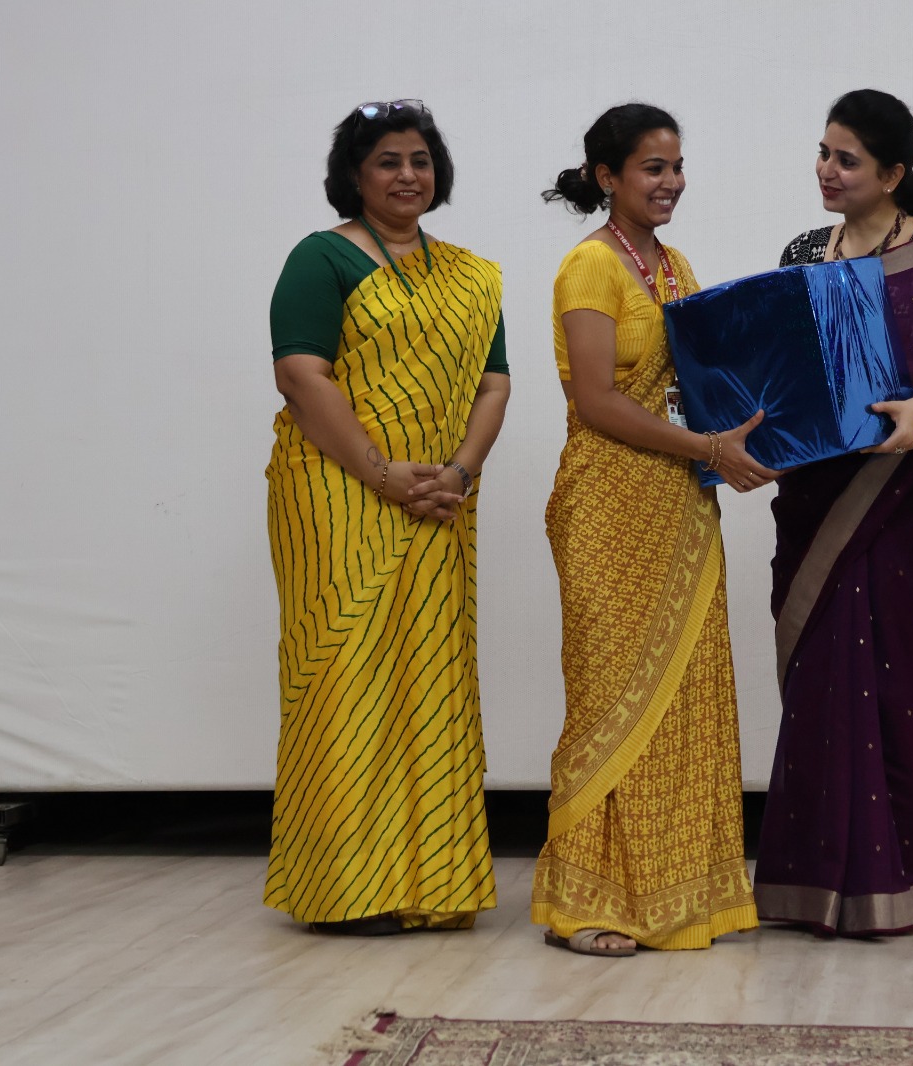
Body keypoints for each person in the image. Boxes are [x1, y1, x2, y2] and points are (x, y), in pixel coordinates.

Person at [753, 89, 913, 936]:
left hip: (898, 509)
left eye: (847, 159)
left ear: (892, 174)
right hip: (816, 503)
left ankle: (895, 883)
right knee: (821, 693)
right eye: (823, 153)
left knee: (893, 696)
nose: (827, 170)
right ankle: (805, 885)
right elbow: (783, 365)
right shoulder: (803, 253)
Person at [530, 103, 774, 956]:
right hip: (608, 506)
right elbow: (597, 402)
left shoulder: (676, 268)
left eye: (676, 167)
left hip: (679, 506)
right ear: (608, 177)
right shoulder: (589, 267)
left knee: (685, 695)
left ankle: (677, 893)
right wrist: (709, 447)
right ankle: (587, 902)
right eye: (652, 168)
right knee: (610, 697)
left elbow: (705, 385)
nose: (671, 182)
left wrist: (766, 424)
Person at [263, 99, 510, 935]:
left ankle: (431, 883)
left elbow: (494, 384)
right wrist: (379, 472)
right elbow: (301, 376)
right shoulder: (321, 258)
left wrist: (460, 473)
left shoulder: (470, 275)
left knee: (431, 680)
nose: (408, 175)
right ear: (355, 176)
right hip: (336, 494)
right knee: (346, 679)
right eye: (388, 162)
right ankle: (344, 890)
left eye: (420, 160)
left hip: (440, 497)